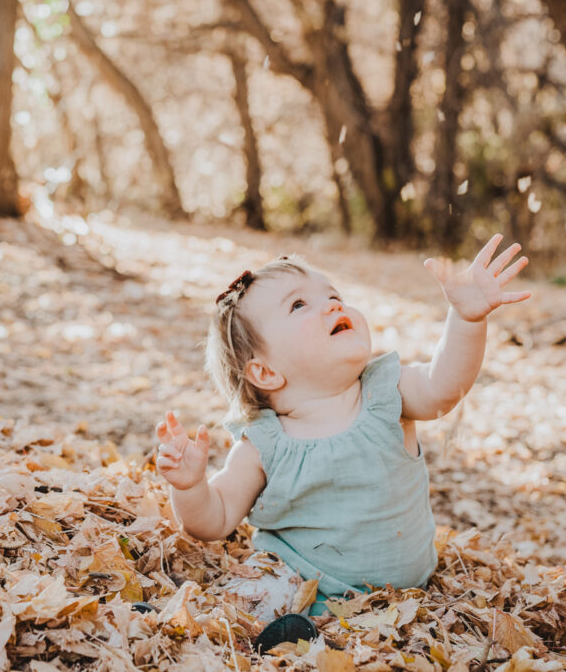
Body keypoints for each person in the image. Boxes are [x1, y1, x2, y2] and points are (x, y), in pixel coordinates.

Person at [154, 234, 530, 645]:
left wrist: (467, 319)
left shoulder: (386, 392)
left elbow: (444, 388)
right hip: (297, 581)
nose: (333, 304)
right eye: (299, 305)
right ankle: (182, 627)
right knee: (251, 596)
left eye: (333, 295)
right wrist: (190, 486)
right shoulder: (265, 442)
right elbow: (216, 518)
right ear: (265, 373)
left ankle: (304, 639)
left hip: (401, 600)